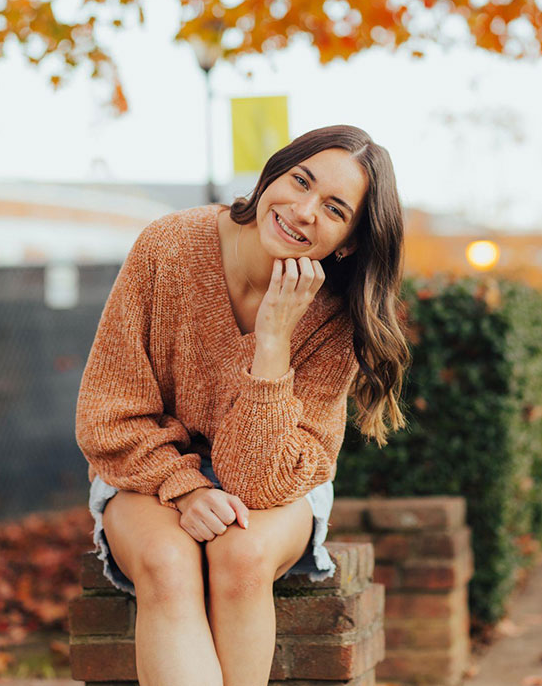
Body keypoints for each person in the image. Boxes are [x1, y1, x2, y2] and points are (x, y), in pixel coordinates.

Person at [75, 124, 410, 686]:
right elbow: (108, 410)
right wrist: (185, 486)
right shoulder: (169, 246)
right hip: (145, 468)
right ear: (272, 174)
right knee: (167, 562)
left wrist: (274, 341)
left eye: (333, 208)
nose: (303, 211)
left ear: (348, 241)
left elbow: (259, 481)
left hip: (279, 478)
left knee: (242, 558)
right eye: (299, 180)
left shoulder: (336, 315)